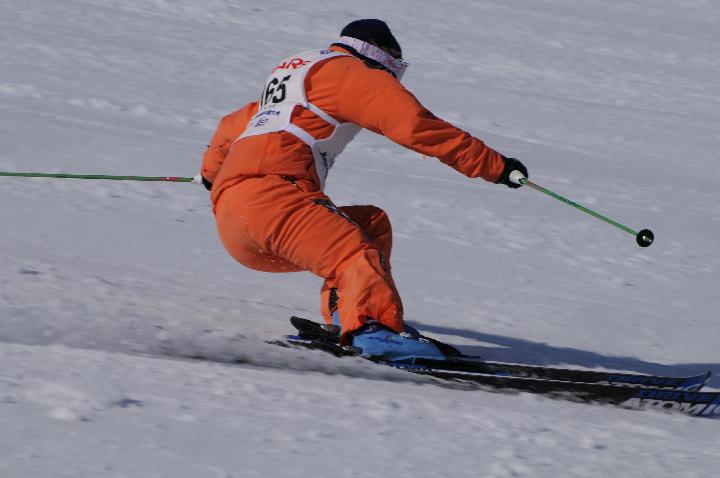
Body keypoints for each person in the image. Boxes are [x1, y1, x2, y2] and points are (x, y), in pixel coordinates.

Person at [200, 19, 528, 361]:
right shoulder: (351, 72)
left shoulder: (298, 78)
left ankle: (351, 317)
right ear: (382, 57)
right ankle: (372, 332)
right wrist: (496, 166)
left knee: (370, 225)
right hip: (275, 200)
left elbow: (230, 128)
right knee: (353, 253)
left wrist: (210, 174)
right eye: (395, 72)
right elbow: (413, 125)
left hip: (235, 220)